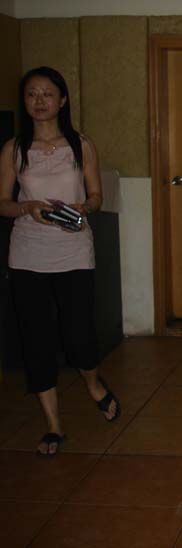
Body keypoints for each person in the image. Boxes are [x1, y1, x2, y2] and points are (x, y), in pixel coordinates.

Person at [0, 66, 119, 457]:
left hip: (74, 250)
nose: (39, 101)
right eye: (32, 94)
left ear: (62, 100)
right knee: (36, 339)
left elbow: (97, 195)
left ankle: (93, 383)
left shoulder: (80, 145)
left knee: (79, 334)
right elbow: (3, 203)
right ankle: (54, 425)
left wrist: (85, 207)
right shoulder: (14, 149)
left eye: (47, 93)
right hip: (27, 254)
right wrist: (26, 207)